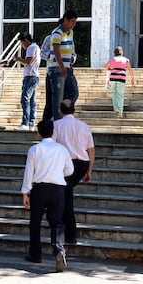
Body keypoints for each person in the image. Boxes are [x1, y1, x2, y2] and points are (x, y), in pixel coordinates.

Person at [21, 119, 72, 272]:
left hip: (39, 188)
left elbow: (29, 172)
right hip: (57, 188)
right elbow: (70, 170)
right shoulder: (62, 149)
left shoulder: (35, 149)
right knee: (57, 222)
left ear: (39, 133)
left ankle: (35, 253)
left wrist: (25, 191)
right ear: (53, 132)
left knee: (35, 222)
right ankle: (59, 250)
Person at [52, 99, 95, 245]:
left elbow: (51, 146)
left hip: (65, 164)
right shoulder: (84, 126)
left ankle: (67, 233)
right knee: (66, 195)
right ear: (74, 111)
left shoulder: (56, 125)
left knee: (66, 198)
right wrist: (89, 169)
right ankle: (69, 233)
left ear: (60, 111)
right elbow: (91, 149)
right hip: (81, 163)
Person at [48, 11, 79, 119]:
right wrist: (61, 66)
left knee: (74, 92)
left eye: (75, 22)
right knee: (58, 97)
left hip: (67, 67)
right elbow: (56, 50)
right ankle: (57, 120)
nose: (73, 24)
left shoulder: (70, 33)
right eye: (72, 22)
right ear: (65, 20)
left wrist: (70, 64)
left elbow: (69, 49)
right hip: (57, 68)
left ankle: (64, 113)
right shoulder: (57, 33)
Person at [13, 32, 40, 131]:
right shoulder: (35, 47)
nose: (22, 45)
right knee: (32, 101)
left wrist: (18, 59)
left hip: (30, 77)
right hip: (33, 76)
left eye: (22, 42)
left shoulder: (31, 48)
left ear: (26, 40)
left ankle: (25, 123)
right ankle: (31, 123)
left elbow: (28, 61)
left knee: (25, 99)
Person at [103, 46, 136, 118]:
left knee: (114, 94)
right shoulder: (125, 60)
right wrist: (132, 78)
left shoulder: (112, 59)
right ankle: (120, 111)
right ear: (122, 52)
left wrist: (111, 68)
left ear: (114, 52)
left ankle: (115, 109)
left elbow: (105, 67)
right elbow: (130, 69)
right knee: (120, 95)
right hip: (121, 78)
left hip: (113, 78)